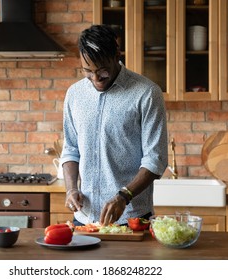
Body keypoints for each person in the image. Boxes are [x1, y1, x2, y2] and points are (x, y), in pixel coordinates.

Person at [60, 24, 168, 226]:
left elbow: (156, 159)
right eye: (87, 71)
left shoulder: (146, 93)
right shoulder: (74, 95)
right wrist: (71, 189)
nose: (95, 78)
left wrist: (124, 196)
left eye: (102, 71)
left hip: (131, 218)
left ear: (117, 55)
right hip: (85, 219)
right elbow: (71, 149)